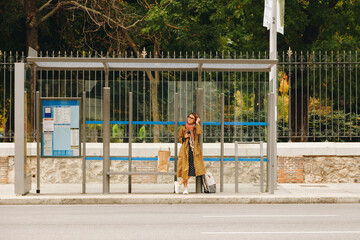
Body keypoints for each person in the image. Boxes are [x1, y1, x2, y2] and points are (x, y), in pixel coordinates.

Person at [174, 113, 206, 194]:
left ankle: (178, 184)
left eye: (192, 118)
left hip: (194, 151)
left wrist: (198, 123)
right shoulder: (183, 128)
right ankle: (185, 189)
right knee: (185, 170)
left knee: (193, 170)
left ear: (194, 120)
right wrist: (185, 137)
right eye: (189, 117)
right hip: (185, 150)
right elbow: (179, 139)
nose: (189, 119)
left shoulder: (195, 128)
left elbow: (199, 132)